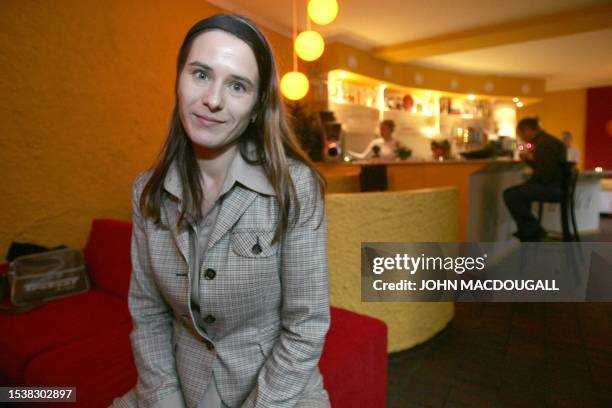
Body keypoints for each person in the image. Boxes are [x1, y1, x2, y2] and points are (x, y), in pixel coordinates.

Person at [112, 14, 330, 408]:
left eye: (237, 85)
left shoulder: (295, 188)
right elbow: (147, 314)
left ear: (257, 105)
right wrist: (164, 400)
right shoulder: (147, 192)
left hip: (276, 392)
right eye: (200, 74)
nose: (213, 99)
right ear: (178, 80)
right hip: (179, 384)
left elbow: (306, 325)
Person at [503, 118, 567, 242]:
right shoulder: (547, 141)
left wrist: (530, 180)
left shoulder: (544, 144)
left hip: (553, 189)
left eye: (520, 134)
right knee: (520, 192)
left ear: (527, 130)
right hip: (557, 187)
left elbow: (544, 176)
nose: (521, 138)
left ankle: (533, 230)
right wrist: (529, 160)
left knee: (511, 194)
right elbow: (546, 169)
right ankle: (529, 230)